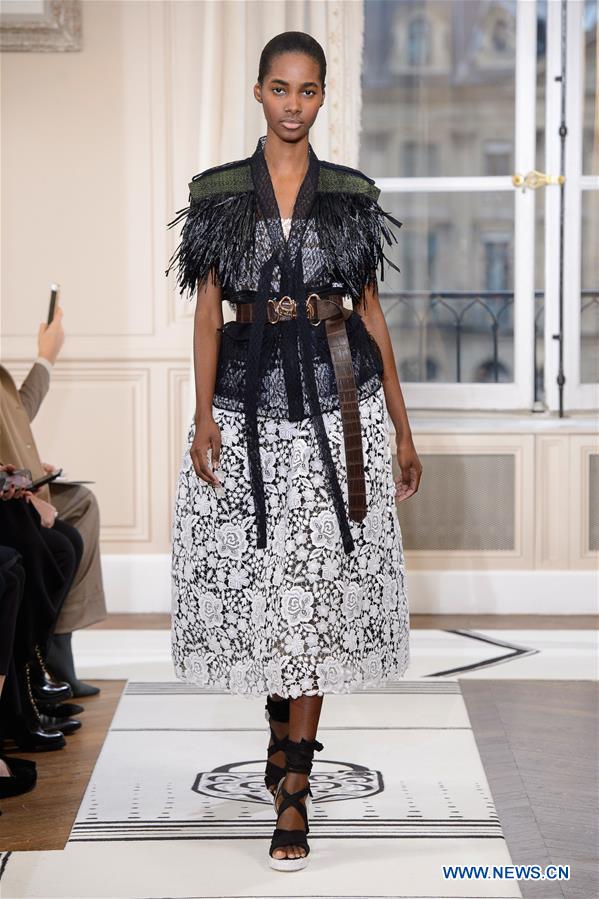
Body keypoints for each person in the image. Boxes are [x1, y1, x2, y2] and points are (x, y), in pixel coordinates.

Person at [167, 31, 422, 871]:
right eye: (279, 88)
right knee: (269, 592)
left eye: (307, 90)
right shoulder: (218, 194)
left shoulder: (348, 195)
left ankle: (295, 787)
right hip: (243, 411)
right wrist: (200, 416)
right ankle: (279, 736)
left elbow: (371, 312)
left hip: (338, 406)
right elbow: (207, 313)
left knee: (313, 594)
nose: (292, 104)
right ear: (258, 91)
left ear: (321, 97)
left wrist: (402, 426)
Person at [0, 301, 107, 696]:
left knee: (80, 502)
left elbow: (16, 414)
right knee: (61, 538)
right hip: (10, 494)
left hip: (15, 484)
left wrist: (46, 357)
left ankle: (58, 644)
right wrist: (20, 484)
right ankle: (38, 659)